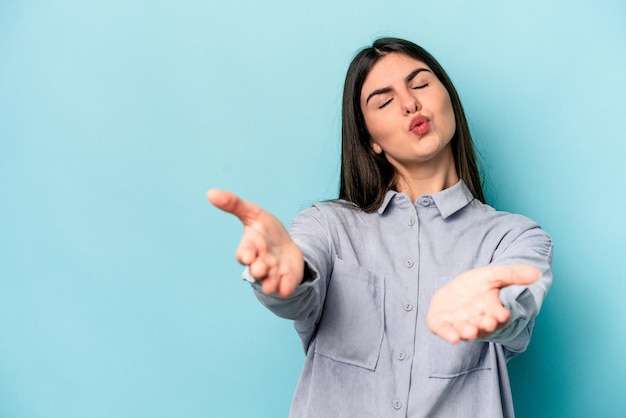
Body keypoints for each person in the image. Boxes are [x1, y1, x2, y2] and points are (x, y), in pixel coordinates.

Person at [208, 37, 552, 417]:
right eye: (384, 101)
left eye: (420, 84)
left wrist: (494, 308)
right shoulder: (328, 225)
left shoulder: (515, 237)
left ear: (449, 99)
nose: (410, 104)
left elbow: (518, 309)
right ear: (370, 139)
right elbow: (298, 284)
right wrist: (285, 274)